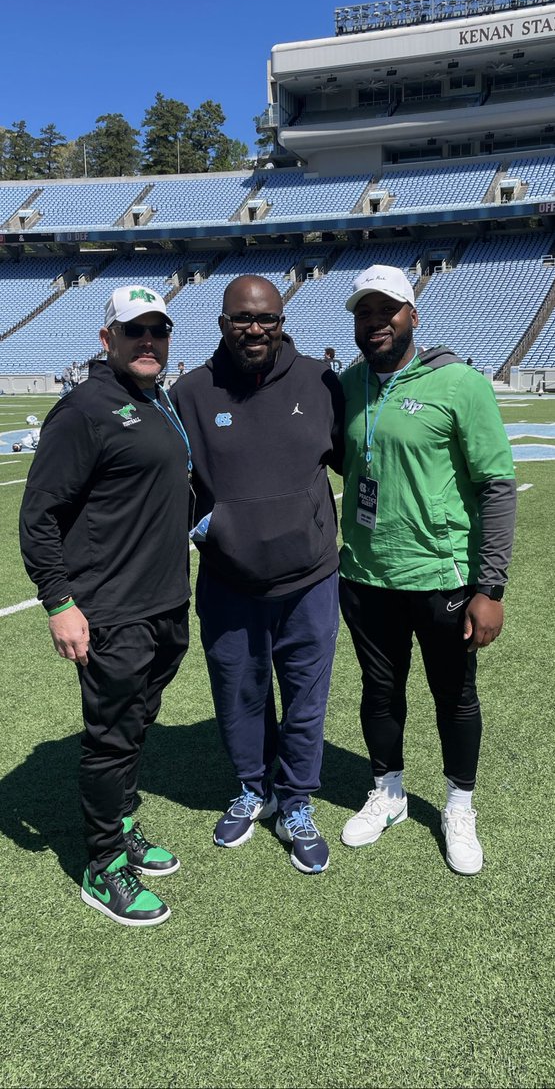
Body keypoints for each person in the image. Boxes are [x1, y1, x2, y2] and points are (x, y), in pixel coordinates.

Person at [20, 285, 192, 926]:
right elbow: (39, 516)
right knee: (111, 738)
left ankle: (118, 829)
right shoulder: (86, 408)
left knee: (135, 727)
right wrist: (59, 601)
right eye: (135, 331)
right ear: (107, 339)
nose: (149, 342)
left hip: (165, 603)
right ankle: (102, 865)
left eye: (159, 331)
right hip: (112, 609)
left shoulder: (154, 400)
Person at [338, 264, 516, 875]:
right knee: (379, 691)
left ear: (413, 314)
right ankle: (386, 793)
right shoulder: (350, 383)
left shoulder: (461, 384)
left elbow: (497, 486)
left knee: (454, 696)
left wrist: (490, 588)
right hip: (365, 574)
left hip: (443, 575)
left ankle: (458, 806)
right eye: (364, 311)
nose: (376, 322)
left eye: (387, 309)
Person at [170, 275, 344, 875]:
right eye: (242, 319)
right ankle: (252, 788)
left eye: (266, 318)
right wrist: (209, 528)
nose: (255, 329)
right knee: (239, 695)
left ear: (280, 321)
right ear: (222, 323)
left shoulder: (321, 383)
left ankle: (295, 802)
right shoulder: (190, 392)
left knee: (305, 698)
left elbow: (351, 457)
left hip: (311, 578)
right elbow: (170, 482)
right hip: (229, 580)